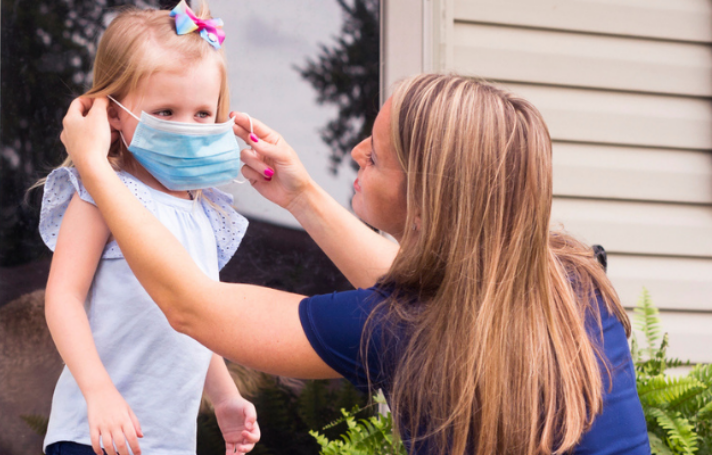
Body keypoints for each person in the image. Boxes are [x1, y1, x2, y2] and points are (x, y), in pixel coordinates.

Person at [57, 73, 649, 454]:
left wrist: (97, 170)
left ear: (427, 200)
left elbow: (193, 307)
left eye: (378, 155)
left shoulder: (399, 328)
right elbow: (422, 289)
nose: (354, 151)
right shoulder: (571, 281)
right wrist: (301, 196)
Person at [37, 2, 262, 455]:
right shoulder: (101, 194)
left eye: (202, 114)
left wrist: (223, 396)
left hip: (168, 443)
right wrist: (98, 392)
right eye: (165, 112)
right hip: (95, 434)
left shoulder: (202, 208)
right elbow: (62, 298)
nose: (186, 128)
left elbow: (196, 314)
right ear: (112, 113)